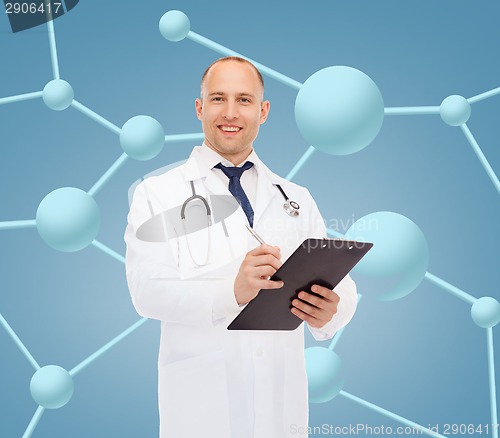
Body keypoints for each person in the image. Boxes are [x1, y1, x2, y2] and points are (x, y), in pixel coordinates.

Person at [124, 56, 357, 438]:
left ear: (263, 111)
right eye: (218, 98)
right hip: (201, 410)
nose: (230, 113)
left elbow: (340, 282)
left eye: (244, 100)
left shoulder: (295, 197)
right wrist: (232, 290)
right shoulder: (158, 194)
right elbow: (146, 291)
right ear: (200, 108)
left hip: (282, 411)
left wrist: (332, 310)